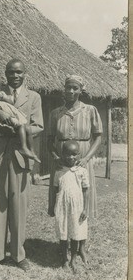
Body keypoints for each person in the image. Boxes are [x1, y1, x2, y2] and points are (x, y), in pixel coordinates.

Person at [0, 59, 43, 271]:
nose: (15, 76)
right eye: (11, 72)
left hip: (20, 157)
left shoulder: (34, 97)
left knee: (18, 205)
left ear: (25, 74)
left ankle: (18, 255)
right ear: (5, 74)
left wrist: (16, 130)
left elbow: (38, 126)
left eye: (19, 72)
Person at [48, 74, 103, 220]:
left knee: (83, 191)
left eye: (75, 88)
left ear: (81, 91)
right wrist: (55, 157)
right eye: (68, 88)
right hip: (61, 158)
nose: (71, 91)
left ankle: (80, 237)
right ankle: (63, 237)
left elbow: (98, 137)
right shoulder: (55, 114)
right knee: (62, 193)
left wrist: (86, 158)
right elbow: (49, 140)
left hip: (83, 158)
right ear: (64, 90)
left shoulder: (90, 110)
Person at [0, 74, 41, 162]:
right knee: (20, 126)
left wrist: (5, 98)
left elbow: (12, 102)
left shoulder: (1, 94)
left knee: (26, 127)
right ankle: (23, 147)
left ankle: (31, 151)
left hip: (10, 116)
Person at [52, 140, 89, 273]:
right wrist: (52, 207)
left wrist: (85, 208)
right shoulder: (59, 172)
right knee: (63, 233)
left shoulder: (82, 171)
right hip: (62, 207)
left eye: (75, 154)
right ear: (62, 155)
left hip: (77, 208)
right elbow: (54, 189)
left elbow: (85, 190)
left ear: (79, 155)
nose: (71, 157)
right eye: (68, 154)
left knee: (75, 233)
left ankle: (73, 259)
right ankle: (64, 260)